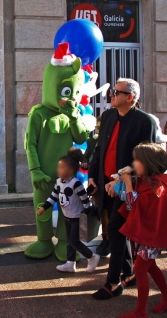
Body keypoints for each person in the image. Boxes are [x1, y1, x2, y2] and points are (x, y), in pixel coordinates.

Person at [88, 78, 157, 299]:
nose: (111, 95)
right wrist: (92, 176)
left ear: (130, 97)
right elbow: (100, 149)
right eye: (112, 91)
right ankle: (128, 273)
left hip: (128, 187)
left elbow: (148, 161)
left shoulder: (146, 122)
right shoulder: (107, 116)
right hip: (105, 184)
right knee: (120, 232)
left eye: (116, 92)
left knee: (117, 229)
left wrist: (121, 180)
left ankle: (113, 282)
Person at [119, 143, 167, 317]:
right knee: (151, 266)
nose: (133, 163)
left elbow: (134, 206)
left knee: (139, 269)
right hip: (149, 235)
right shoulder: (152, 181)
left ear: (148, 163)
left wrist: (127, 183)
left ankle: (140, 311)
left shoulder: (156, 187)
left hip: (150, 236)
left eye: (137, 160)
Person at [37, 147, 100, 273]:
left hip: (77, 218)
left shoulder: (76, 184)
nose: (59, 170)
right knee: (69, 242)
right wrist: (44, 207)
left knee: (74, 241)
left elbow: (85, 201)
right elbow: (53, 197)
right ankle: (70, 264)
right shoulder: (59, 182)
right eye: (59, 167)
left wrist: (88, 216)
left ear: (71, 170)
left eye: (62, 167)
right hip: (67, 217)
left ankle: (92, 256)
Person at [81, 116, 110, 256]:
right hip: (98, 177)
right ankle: (105, 237)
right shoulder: (95, 140)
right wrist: (86, 163)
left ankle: (112, 239)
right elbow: (88, 155)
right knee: (101, 210)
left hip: (114, 179)